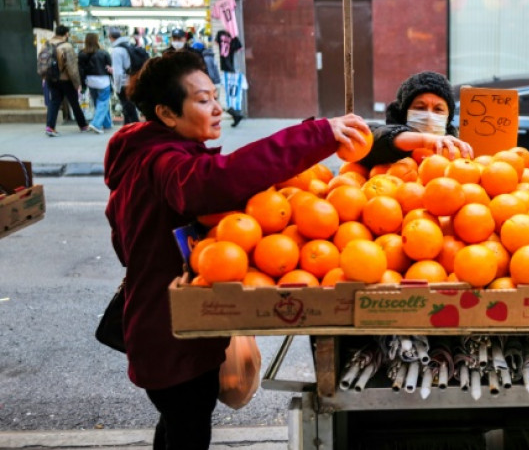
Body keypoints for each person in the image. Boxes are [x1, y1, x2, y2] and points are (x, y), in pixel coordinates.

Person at [104, 50, 368, 449]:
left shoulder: (149, 154)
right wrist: (317, 135)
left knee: (179, 424)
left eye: (214, 95)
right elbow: (217, 181)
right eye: (202, 99)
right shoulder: (162, 162)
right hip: (170, 333)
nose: (217, 107)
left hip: (163, 324)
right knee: (187, 429)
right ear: (167, 113)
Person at [358, 70, 473, 168]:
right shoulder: (385, 140)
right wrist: (422, 140)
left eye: (438, 109)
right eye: (420, 108)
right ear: (404, 113)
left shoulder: (460, 153)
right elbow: (368, 137)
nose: (429, 116)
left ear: (448, 117)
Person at [44, 25, 93, 136]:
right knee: (74, 102)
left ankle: (50, 127)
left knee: (54, 101)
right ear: (66, 34)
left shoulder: (46, 44)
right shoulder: (66, 46)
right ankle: (83, 125)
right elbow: (72, 67)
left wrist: (44, 76)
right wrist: (77, 84)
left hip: (51, 78)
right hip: (65, 79)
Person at [77, 33, 112, 134]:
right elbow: (109, 66)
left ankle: (107, 123)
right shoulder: (103, 52)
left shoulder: (82, 53)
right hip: (103, 80)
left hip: (90, 81)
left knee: (98, 102)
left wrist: (83, 84)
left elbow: (81, 70)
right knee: (104, 102)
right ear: (97, 40)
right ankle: (96, 124)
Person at [108, 28, 141, 125]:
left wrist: (117, 87)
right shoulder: (129, 46)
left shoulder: (117, 50)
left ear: (110, 37)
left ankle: (137, 128)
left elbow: (118, 72)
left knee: (129, 109)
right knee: (128, 107)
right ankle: (126, 128)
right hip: (132, 80)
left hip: (123, 83)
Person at [215, 29, 246, 127]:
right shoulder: (232, 35)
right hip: (229, 70)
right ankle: (236, 115)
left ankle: (236, 115)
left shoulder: (222, 34)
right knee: (219, 101)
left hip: (226, 71)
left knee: (219, 101)